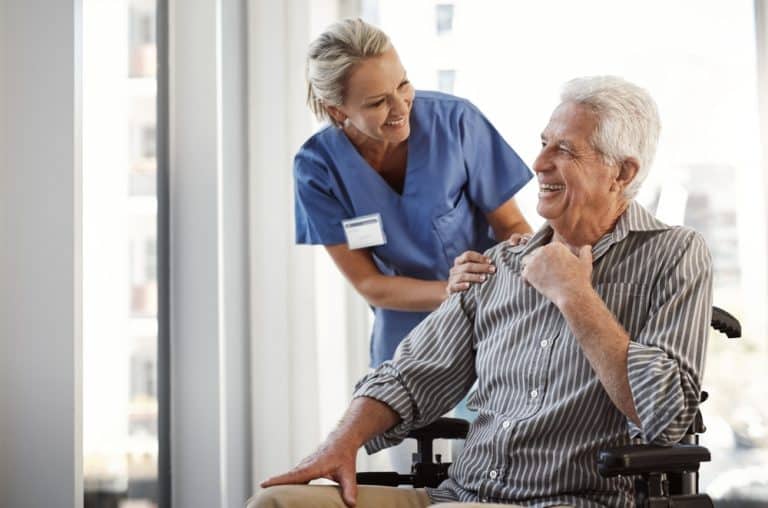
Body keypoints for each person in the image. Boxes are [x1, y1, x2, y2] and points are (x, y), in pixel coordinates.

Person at [251, 76, 713, 507]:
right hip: (459, 495)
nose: (538, 164)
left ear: (622, 172)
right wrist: (341, 444)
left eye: (566, 150)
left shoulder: (674, 254)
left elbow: (667, 415)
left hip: (566, 499)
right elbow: (411, 377)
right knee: (277, 503)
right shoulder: (498, 264)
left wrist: (575, 295)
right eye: (543, 143)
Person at [295, 18, 533, 367]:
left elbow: (511, 224)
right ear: (337, 109)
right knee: (397, 417)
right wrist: (448, 290)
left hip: (491, 304)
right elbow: (369, 282)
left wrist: (523, 260)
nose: (401, 107)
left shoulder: (455, 123)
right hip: (404, 322)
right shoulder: (317, 168)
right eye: (377, 102)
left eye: (403, 84)